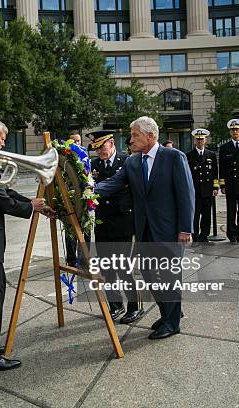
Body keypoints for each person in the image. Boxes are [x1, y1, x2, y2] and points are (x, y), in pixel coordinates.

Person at [95, 117, 194, 339]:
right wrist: (86, 191)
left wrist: (185, 228)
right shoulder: (132, 162)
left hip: (169, 230)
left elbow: (186, 194)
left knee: (169, 277)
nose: (131, 140)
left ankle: (172, 323)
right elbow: (111, 184)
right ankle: (167, 313)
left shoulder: (173, 157)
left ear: (151, 136)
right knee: (149, 275)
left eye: (135, 135)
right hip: (144, 231)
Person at [0, 117, 53, 372]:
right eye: (2, 138)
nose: (4, 144)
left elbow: (2, 191)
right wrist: (30, 206)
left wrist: (31, 203)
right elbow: (2, 200)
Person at [88, 130, 143, 324]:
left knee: (122, 267)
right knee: (106, 268)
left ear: (111, 143)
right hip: (103, 223)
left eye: (102, 147)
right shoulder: (92, 165)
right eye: (96, 148)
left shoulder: (126, 161)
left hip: (123, 223)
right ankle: (115, 304)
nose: (99, 152)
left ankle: (135, 306)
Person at [185, 129, 218, 243]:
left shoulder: (211, 155)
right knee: (195, 214)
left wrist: (215, 187)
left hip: (208, 190)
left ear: (205, 140)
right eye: (198, 139)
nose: (200, 141)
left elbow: (214, 172)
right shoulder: (189, 155)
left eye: (202, 139)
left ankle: (204, 235)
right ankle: (195, 235)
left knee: (206, 214)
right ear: (195, 141)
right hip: (195, 190)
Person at [64, 132, 91, 267]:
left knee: (86, 228)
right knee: (70, 230)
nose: (77, 144)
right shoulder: (65, 157)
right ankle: (71, 259)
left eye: (79, 141)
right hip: (70, 199)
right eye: (73, 141)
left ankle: (85, 258)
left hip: (84, 197)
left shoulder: (85, 156)